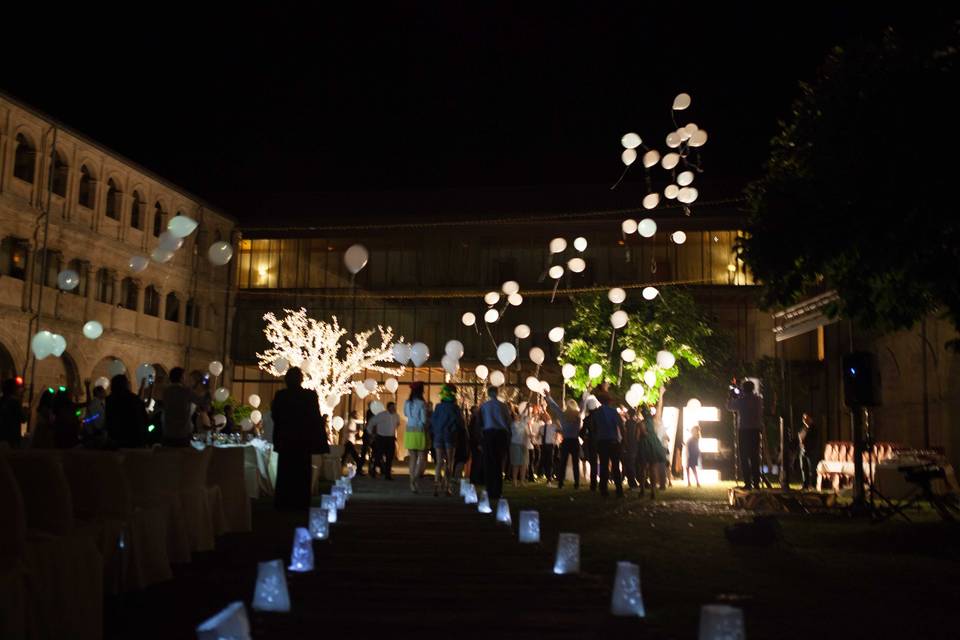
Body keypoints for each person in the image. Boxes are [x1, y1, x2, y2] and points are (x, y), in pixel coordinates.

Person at [271, 367, 327, 510]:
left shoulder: (281, 395)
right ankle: (301, 502)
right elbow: (314, 418)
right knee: (302, 473)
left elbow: (275, 416)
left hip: (286, 440)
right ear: (301, 380)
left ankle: (283, 502)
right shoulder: (309, 396)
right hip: (303, 441)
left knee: (285, 473)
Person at [727, 379, 763, 490]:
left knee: (744, 457)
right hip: (755, 430)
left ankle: (748, 482)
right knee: (754, 457)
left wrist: (731, 395)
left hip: (744, 431)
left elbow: (729, 407)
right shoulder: (758, 399)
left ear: (743, 389)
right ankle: (756, 482)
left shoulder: (741, 401)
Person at [430, 384, 463, 496]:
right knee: (449, 462)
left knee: (439, 462)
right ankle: (447, 486)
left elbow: (433, 422)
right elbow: (459, 423)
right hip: (450, 436)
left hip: (438, 436)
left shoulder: (438, 407)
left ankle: (436, 486)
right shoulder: (455, 408)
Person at [480, 386, 511, 500]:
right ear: (497, 393)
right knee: (498, 462)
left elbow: (481, 422)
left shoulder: (484, 406)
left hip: (488, 434)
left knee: (488, 463)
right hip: (500, 434)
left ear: (488, 394)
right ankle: (497, 491)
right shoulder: (503, 406)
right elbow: (508, 421)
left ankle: (489, 489)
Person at [546, 393, 581, 489]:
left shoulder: (563, 415)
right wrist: (588, 391)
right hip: (574, 441)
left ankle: (560, 482)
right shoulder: (577, 416)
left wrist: (548, 396)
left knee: (563, 462)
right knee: (575, 463)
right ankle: (576, 483)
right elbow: (583, 403)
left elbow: (555, 407)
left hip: (566, 441)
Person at [593, 392, 624, 497]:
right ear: (609, 401)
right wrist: (624, 439)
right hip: (613, 441)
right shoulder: (613, 412)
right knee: (615, 466)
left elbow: (594, 427)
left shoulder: (597, 413)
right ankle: (619, 490)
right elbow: (620, 425)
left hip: (602, 441)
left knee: (604, 466)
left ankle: (603, 489)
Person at [161, 367, 203, 447]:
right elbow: (202, 402)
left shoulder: (165, 391)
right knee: (183, 458)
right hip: (182, 434)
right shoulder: (186, 391)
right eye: (184, 376)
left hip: (168, 433)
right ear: (181, 378)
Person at [105, 375, 148, 448]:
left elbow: (108, 419)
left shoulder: (109, 400)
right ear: (125, 384)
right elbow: (144, 418)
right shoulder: (134, 399)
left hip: (116, 439)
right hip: (134, 438)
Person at [636, 406, 667, 498]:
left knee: (643, 468)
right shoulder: (654, 422)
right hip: (654, 445)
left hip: (644, 446)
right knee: (653, 468)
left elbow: (638, 437)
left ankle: (642, 489)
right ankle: (653, 491)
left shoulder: (641, 423)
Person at [403, 382, 428, 493]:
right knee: (422, 457)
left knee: (412, 458)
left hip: (409, 430)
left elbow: (406, 414)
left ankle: (412, 482)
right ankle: (414, 480)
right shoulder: (422, 403)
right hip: (419, 431)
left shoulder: (407, 402)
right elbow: (424, 420)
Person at [368, 402, 400, 479]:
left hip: (391, 438)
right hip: (381, 437)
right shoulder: (382, 415)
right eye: (392, 407)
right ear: (388, 408)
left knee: (390, 457)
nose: (394, 409)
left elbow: (397, 424)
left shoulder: (396, 416)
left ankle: (387, 474)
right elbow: (372, 422)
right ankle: (373, 471)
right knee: (378, 455)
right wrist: (371, 433)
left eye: (394, 407)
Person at [580, 396, 601, 491]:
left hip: (591, 442)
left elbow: (581, 433)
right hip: (601, 441)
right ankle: (602, 482)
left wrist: (585, 438)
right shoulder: (600, 418)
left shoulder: (587, 419)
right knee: (602, 462)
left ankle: (593, 485)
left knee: (593, 464)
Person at [0, 378, 26, 449]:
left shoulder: (2, 400)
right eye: (18, 388)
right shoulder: (15, 401)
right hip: (12, 436)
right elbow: (23, 419)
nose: (21, 390)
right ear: (13, 389)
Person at [81, 382, 108, 447]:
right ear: (98, 393)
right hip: (94, 433)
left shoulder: (101, 403)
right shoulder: (94, 404)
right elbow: (95, 418)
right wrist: (99, 429)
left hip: (98, 432)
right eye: (103, 391)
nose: (105, 393)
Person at [509, 404, 530, 487]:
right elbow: (523, 416)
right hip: (515, 445)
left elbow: (527, 416)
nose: (517, 416)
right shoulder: (513, 425)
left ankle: (522, 481)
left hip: (523, 445)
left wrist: (527, 408)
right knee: (516, 464)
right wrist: (525, 410)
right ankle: (514, 481)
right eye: (516, 415)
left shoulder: (522, 423)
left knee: (524, 464)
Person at [622, 407, 640, 489]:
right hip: (635, 445)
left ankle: (632, 483)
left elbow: (625, 434)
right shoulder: (636, 423)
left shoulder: (627, 423)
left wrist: (625, 443)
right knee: (634, 464)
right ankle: (637, 481)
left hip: (629, 445)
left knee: (630, 465)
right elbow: (637, 436)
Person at [540, 406, 560, 485]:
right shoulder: (542, 427)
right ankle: (547, 475)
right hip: (544, 445)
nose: (544, 418)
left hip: (550, 445)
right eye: (543, 417)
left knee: (550, 461)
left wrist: (556, 441)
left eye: (545, 417)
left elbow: (558, 431)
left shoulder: (553, 426)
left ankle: (550, 476)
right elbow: (541, 435)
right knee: (545, 461)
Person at [798, 412, 817, 490]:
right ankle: (805, 484)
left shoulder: (813, 428)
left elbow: (813, 440)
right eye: (803, 418)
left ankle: (813, 484)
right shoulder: (803, 428)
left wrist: (809, 447)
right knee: (803, 467)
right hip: (802, 450)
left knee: (811, 468)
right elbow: (800, 437)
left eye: (806, 418)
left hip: (810, 451)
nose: (804, 420)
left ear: (810, 419)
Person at [468, 403, 485, 485]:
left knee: (477, 461)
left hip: (475, 443)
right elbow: (476, 432)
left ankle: (475, 478)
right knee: (477, 461)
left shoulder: (474, 418)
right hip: (476, 443)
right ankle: (476, 478)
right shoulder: (476, 419)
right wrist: (479, 443)